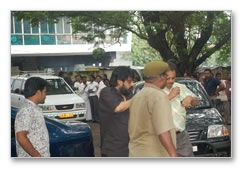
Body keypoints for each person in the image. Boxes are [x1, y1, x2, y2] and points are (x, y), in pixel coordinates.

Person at [129, 61, 177, 157]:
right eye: (166, 76)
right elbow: (163, 131)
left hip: (136, 153)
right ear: (161, 77)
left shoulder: (137, 96)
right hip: (155, 154)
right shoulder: (159, 96)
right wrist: (173, 155)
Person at [162, 63, 199, 157]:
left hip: (181, 136)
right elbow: (151, 107)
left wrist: (190, 98)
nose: (171, 81)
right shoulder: (156, 90)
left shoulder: (180, 87)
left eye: (173, 78)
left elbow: (196, 101)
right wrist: (170, 96)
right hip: (163, 137)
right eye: (168, 78)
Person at [98, 66, 135, 157]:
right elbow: (118, 108)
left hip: (131, 147)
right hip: (113, 149)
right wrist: (138, 98)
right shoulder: (106, 92)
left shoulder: (129, 94)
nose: (132, 84)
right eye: (129, 81)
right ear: (119, 81)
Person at [15, 77, 50, 157]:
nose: (45, 95)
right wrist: (37, 156)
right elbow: (21, 136)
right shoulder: (26, 110)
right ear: (38, 92)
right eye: (45, 92)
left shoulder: (33, 108)